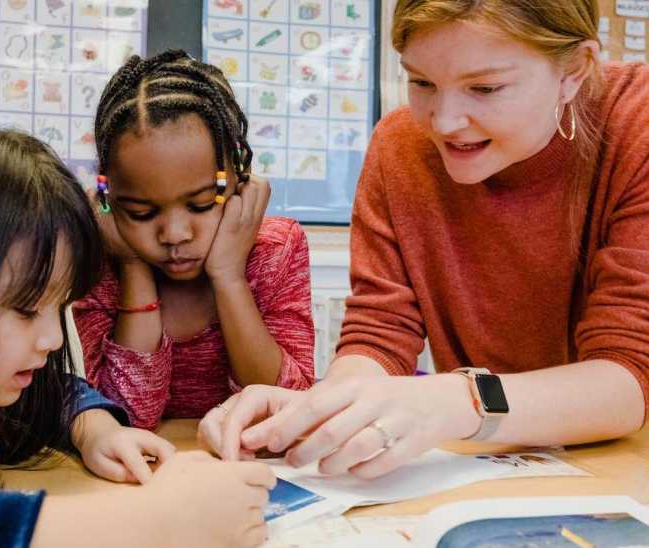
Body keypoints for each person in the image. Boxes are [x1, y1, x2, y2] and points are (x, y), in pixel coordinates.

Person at [199, 0, 649, 480]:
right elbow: (379, 335)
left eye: (485, 87)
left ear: (574, 71)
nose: (444, 122)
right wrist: (327, 413)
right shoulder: (401, 146)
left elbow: (628, 377)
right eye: (421, 83)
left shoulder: (635, 124)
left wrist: (459, 399)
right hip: (507, 466)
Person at [0, 118, 275, 547]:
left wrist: (96, 430)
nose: (53, 340)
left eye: (56, 308)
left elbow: (53, 394)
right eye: (24, 310)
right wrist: (154, 523)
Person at [73, 50, 315, 430]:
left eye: (202, 204)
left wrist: (229, 277)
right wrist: (132, 267)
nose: (175, 235)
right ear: (106, 194)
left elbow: (286, 409)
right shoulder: (101, 258)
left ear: (239, 180)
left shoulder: (277, 249)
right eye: (140, 212)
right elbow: (125, 418)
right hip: (148, 478)